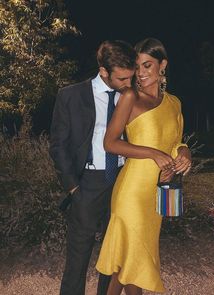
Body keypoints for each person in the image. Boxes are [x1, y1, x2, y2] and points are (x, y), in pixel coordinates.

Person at [96, 38, 192, 294]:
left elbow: (175, 142)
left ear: (163, 65)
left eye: (148, 65)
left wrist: (185, 152)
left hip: (157, 194)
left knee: (129, 265)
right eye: (137, 67)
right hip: (132, 193)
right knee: (132, 261)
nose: (141, 73)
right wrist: (152, 153)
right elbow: (110, 143)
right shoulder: (130, 97)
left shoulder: (174, 103)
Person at [49, 40, 136, 295]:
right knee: (78, 256)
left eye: (130, 78)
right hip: (87, 183)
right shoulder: (71, 95)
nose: (128, 85)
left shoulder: (131, 97)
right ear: (103, 71)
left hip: (122, 181)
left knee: (112, 254)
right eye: (122, 79)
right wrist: (73, 188)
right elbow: (58, 146)